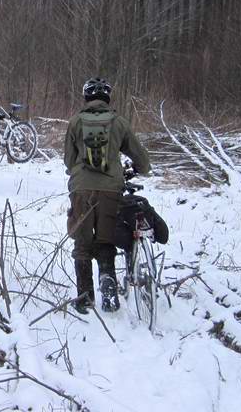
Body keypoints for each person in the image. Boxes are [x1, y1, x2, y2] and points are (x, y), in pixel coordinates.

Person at [63, 77, 150, 314]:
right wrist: (138, 170)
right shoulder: (119, 122)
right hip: (111, 189)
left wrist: (79, 173)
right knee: (105, 239)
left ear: (86, 97)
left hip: (81, 188)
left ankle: (84, 297)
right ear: (107, 98)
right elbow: (141, 158)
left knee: (82, 243)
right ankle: (108, 286)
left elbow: (69, 161)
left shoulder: (75, 122)